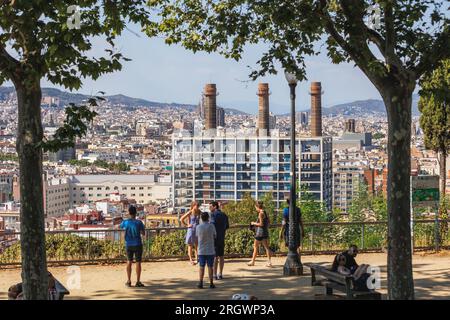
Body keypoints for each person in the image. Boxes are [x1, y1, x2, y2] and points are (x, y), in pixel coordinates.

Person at [120, 205, 145, 287]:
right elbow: (143, 233)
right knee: (138, 262)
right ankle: (138, 281)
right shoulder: (139, 222)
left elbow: (120, 227)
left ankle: (129, 281)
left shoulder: (126, 222)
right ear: (136, 213)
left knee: (129, 261)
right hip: (138, 244)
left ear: (129, 213)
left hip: (128, 244)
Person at [247, 201, 272, 267]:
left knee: (255, 247)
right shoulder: (266, 212)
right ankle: (269, 262)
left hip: (259, 233)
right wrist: (265, 227)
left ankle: (253, 261)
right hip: (265, 232)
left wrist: (253, 223)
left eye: (255, 207)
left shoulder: (260, 213)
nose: (255, 209)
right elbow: (269, 222)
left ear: (257, 207)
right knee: (267, 247)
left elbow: (261, 224)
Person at [196, 211, 217, 289]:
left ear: (201, 218)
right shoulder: (212, 226)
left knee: (201, 266)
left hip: (201, 250)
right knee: (210, 267)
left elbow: (197, 236)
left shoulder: (198, 227)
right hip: (210, 249)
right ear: (208, 218)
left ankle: (200, 282)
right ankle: (211, 283)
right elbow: (215, 235)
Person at [210, 201, 229, 280]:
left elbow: (212, 226)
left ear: (215, 206)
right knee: (221, 256)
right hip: (222, 237)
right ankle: (220, 273)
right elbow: (227, 226)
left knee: (215, 257)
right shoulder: (224, 215)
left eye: (210, 206)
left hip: (214, 238)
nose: (209, 208)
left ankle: (214, 274)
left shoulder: (213, 215)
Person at [180, 201, 201, 265]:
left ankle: (197, 259)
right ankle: (191, 259)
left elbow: (205, 216)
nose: (198, 207)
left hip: (197, 229)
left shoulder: (199, 211)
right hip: (191, 229)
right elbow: (181, 219)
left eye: (198, 205)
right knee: (190, 245)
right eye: (197, 205)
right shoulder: (190, 212)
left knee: (197, 245)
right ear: (193, 205)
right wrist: (187, 225)